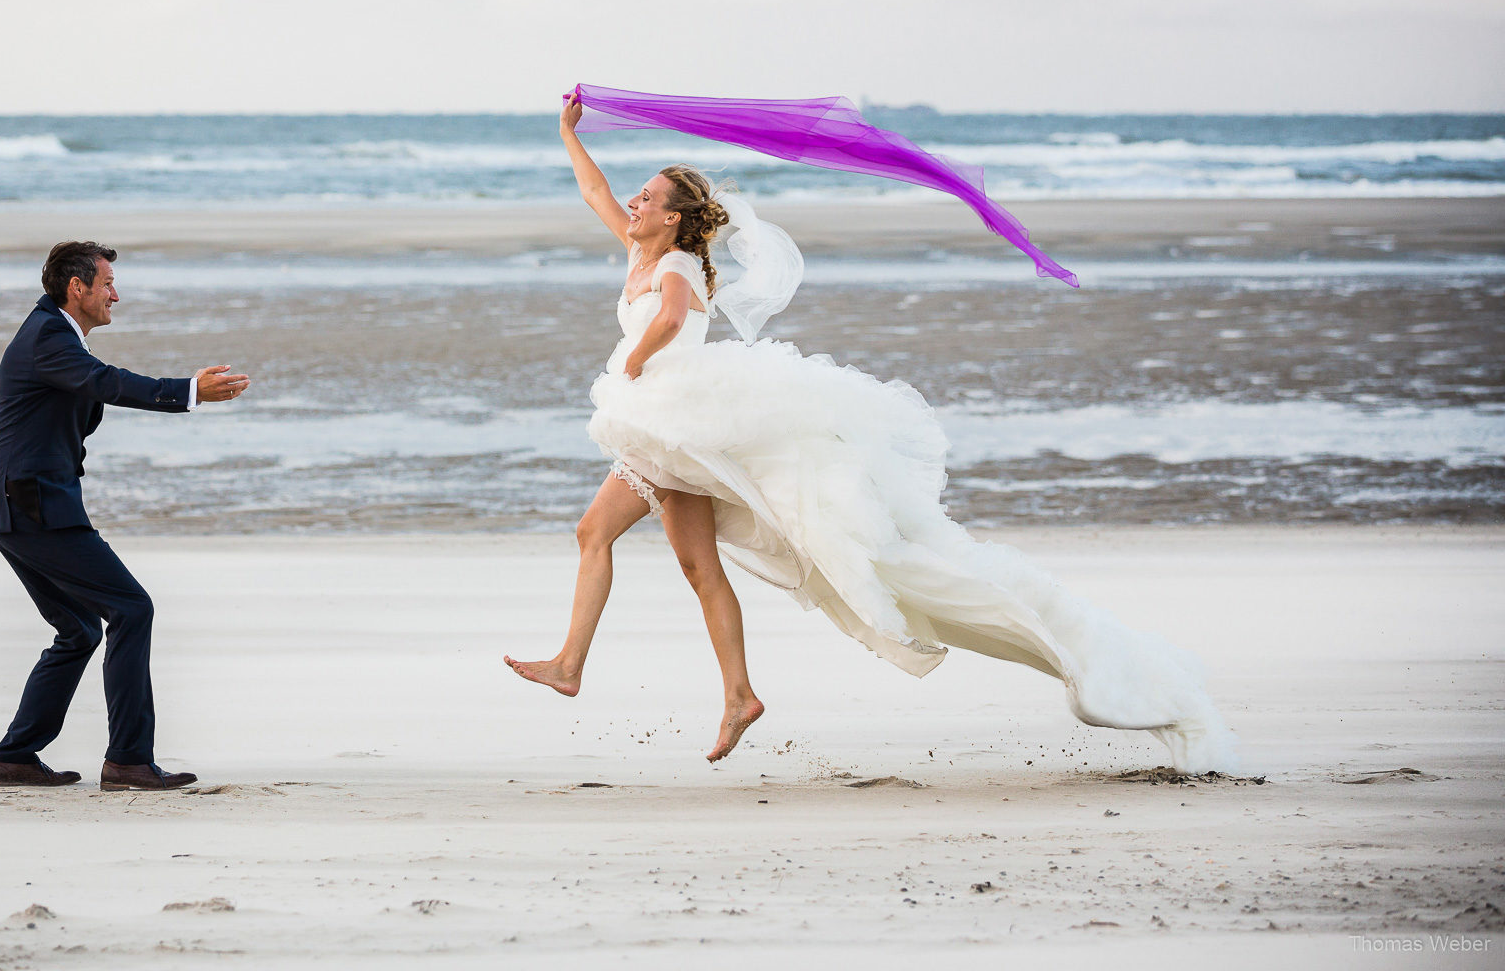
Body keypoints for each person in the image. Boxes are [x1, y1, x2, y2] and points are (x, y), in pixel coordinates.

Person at [506, 97, 1236, 774]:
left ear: (670, 220)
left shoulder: (673, 267)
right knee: (697, 570)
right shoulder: (642, 249)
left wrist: (632, 363)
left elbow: (667, 321)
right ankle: (737, 696)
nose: (631, 202)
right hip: (679, 429)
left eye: (647, 198)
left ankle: (575, 665)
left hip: (672, 421)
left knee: (594, 533)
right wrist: (569, 134)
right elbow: (594, 194)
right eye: (635, 196)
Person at [0, 240, 249, 791]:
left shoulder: (53, 335)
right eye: (107, 285)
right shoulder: (48, 337)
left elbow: (85, 393)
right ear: (76, 288)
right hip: (33, 508)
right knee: (132, 609)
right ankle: (127, 760)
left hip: (21, 506)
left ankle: (15, 757)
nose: (116, 296)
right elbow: (107, 383)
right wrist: (187, 392)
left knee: (79, 629)